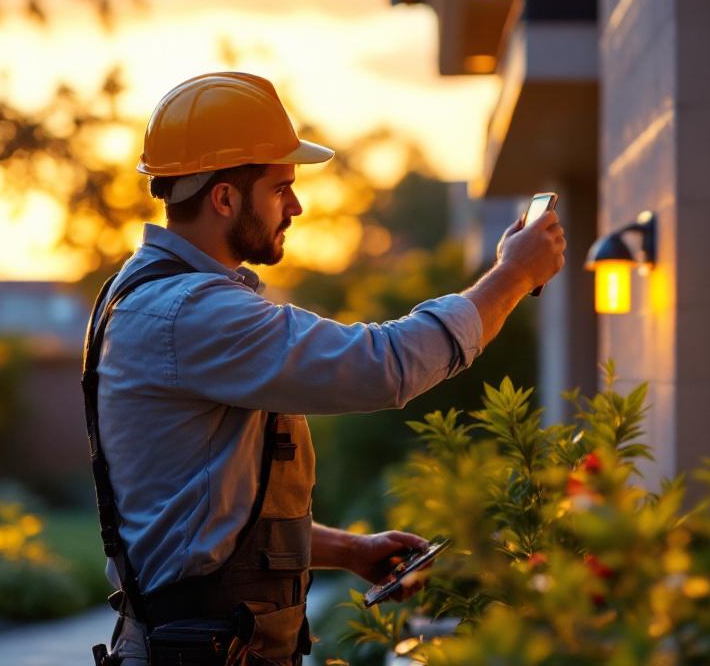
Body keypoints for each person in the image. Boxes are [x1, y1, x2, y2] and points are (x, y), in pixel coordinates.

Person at [89, 72, 565, 665]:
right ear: (225, 199)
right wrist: (513, 276)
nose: (296, 206)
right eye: (281, 188)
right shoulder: (192, 312)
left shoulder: (147, 295)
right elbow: (384, 366)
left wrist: (351, 551)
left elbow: (208, 520)